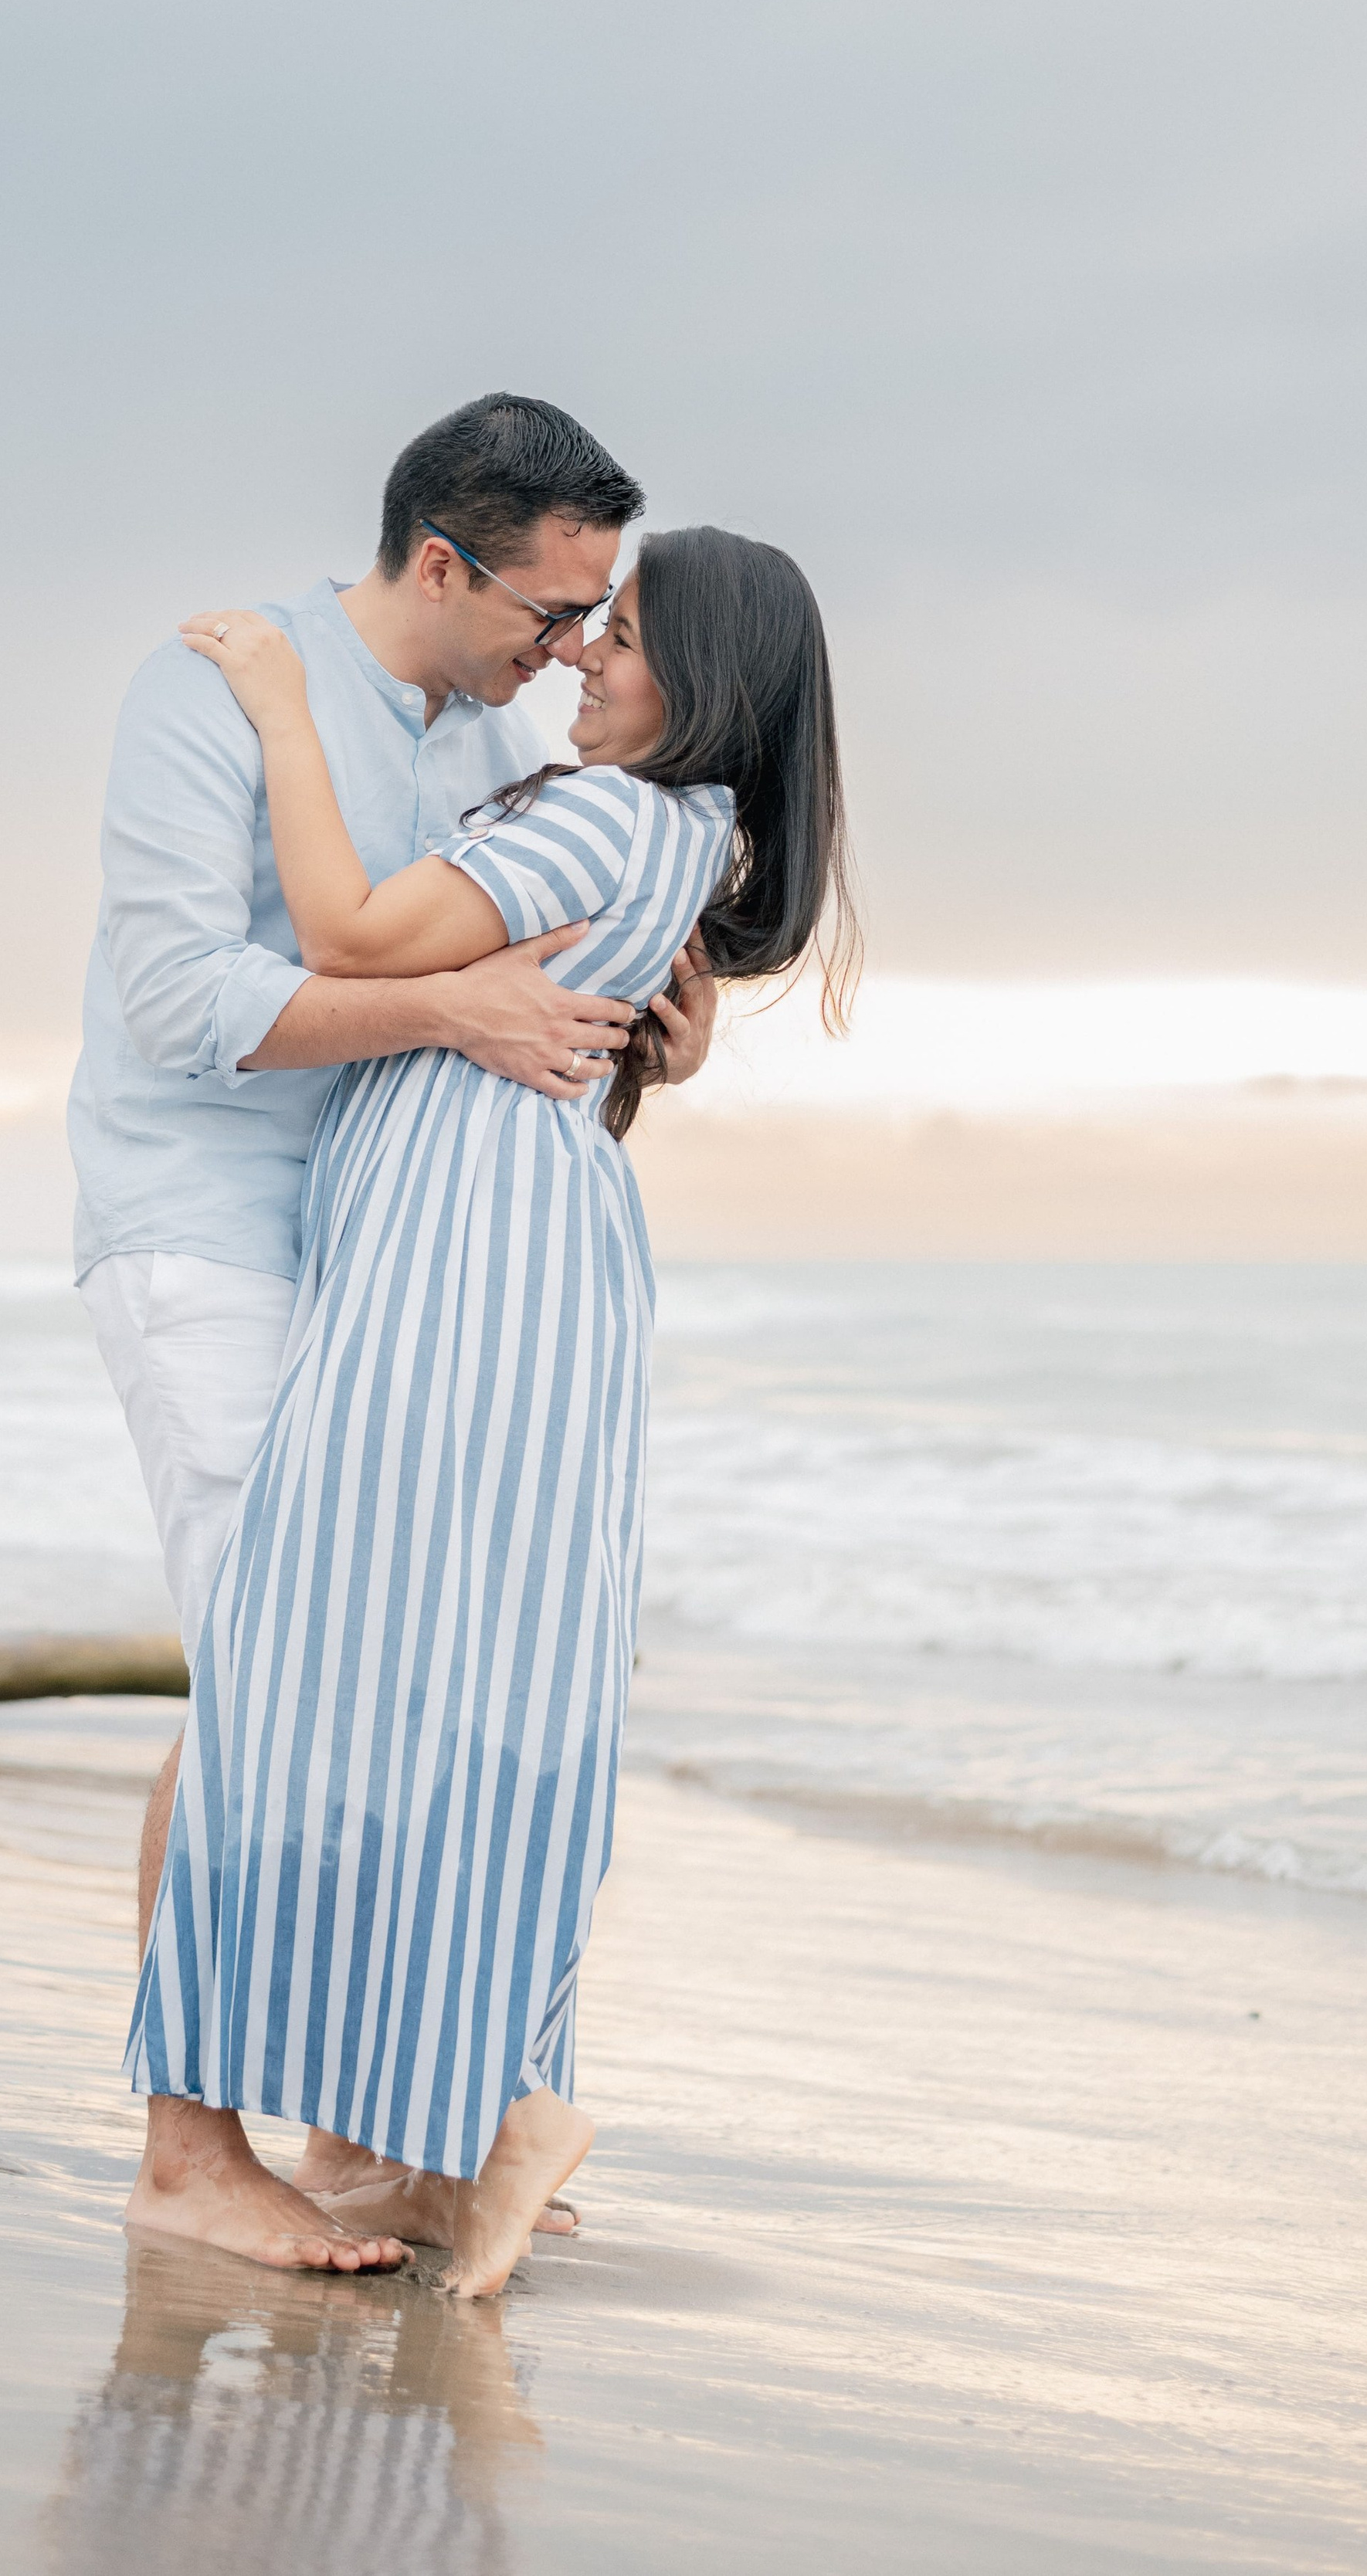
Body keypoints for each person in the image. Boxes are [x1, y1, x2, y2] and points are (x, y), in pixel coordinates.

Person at [127, 524, 858, 2294]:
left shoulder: (609, 817)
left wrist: (280, 703)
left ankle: (388, 2121)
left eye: (619, 634)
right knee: (475, 1659)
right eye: (584, 621)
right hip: (520, 1257)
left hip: (463, 1259)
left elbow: (350, 929)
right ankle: (459, 2114)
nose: (585, 657)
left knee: (311, 1644)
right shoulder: (677, 834)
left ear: (705, 676)